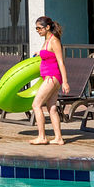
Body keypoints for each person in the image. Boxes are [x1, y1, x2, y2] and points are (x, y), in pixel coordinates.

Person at [30, 17, 70, 145]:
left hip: (52, 78)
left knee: (36, 105)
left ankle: (42, 137)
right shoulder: (47, 40)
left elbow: (61, 62)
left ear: (47, 27)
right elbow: (49, 55)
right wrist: (39, 53)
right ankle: (58, 138)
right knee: (51, 108)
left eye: (39, 28)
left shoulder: (54, 41)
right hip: (49, 77)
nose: (37, 30)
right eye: (36, 28)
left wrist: (65, 82)